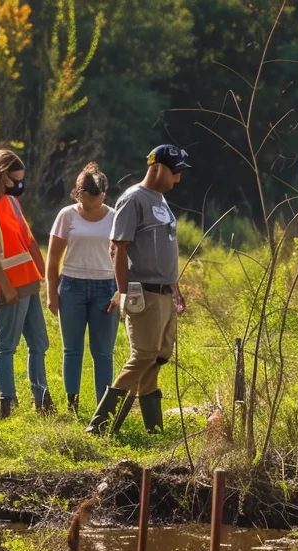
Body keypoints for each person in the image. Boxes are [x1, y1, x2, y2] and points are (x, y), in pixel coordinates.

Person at [85, 144, 192, 434]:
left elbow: (165, 247)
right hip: (142, 291)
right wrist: (123, 291)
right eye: (175, 172)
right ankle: (100, 426)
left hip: (165, 291)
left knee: (158, 356)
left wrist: (175, 285)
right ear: (157, 167)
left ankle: (153, 429)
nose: (178, 179)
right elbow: (118, 247)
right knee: (143, 354)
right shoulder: (133, 199)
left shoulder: (161, 200)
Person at [0, 150, 51, 419]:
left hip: (29, 283)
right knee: (7, 346)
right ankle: (6, 403)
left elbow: (29, 241)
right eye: (15, 180)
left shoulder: (13, 204)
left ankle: (42, 399)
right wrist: (7, 287)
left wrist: (45, 274)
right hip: (10, 287)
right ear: (1, 175)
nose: (19, 185)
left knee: (39, 343)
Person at [47, 163, 119, 412]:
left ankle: (103, 407)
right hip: (71, 288)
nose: (87, 203)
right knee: (72, 349)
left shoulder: (114, 217)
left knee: (103, 352)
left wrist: (121, 291)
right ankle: (72, 403)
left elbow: (123, 256)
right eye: (83, 197)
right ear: (77, 193)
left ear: (103, 194)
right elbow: (53, 258)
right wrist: (51, 295)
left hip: (106, 288)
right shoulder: (66, 215)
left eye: (93, 197)